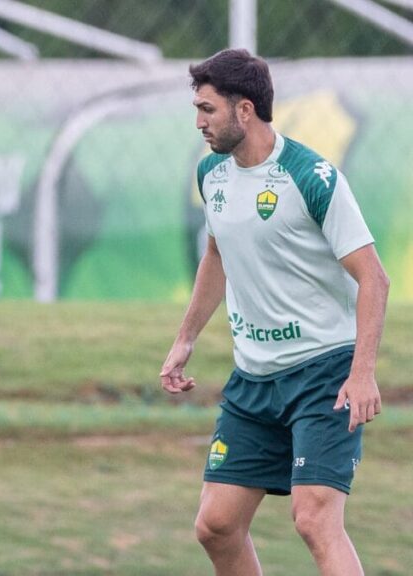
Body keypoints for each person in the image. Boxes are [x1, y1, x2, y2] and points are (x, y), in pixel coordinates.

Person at [161, 49, 390, 575]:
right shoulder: (211, 174)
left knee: (314, 520)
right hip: (254, 379)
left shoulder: (312, 177)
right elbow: (216, 254)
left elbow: (374, 279)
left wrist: (362, 373)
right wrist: (185, 338)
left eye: (207, 109)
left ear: (245, 110)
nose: (199, 123)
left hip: (323, 374)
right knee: (216, 525)